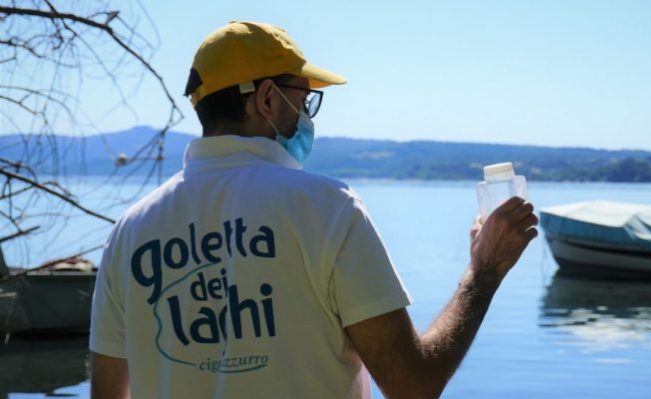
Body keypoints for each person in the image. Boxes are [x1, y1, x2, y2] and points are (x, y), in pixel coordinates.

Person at [89, 21, 538, 399]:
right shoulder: (327, 208)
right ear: (266, 99)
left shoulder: (129, 231)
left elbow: (108, 393)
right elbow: (411, 385)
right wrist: (483, 273)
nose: (307, 115)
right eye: (302, 99)